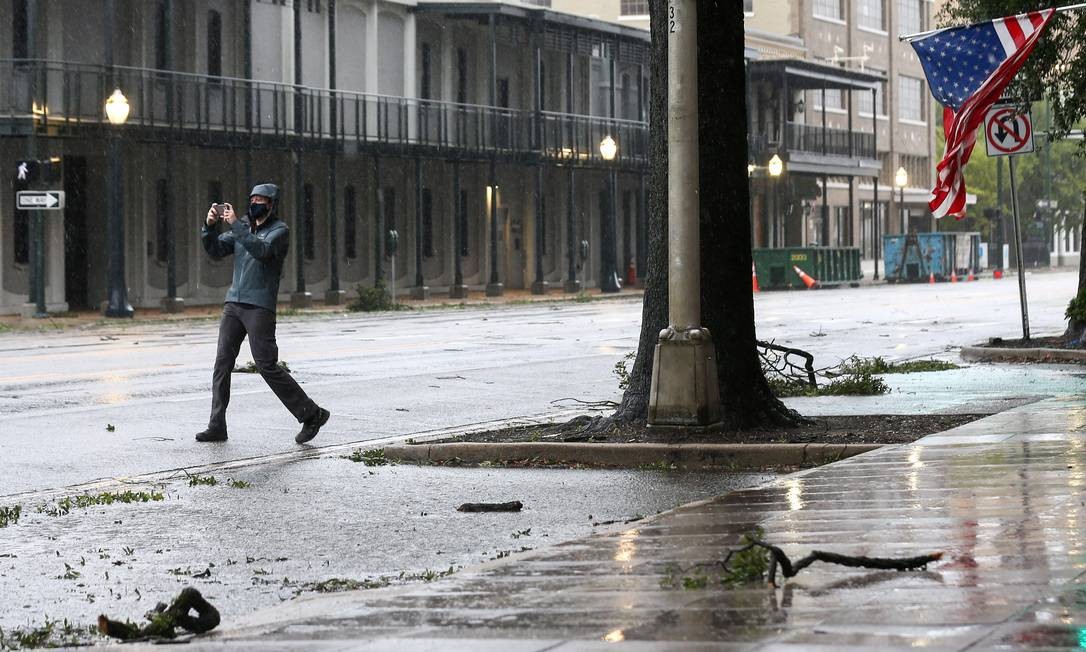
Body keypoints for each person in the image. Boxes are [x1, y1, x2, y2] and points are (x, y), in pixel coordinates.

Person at [195, 183, 330, 444]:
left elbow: (261, 251)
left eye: (261, 199)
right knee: (222, 364)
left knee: (266, 366)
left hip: (259, 306)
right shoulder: (243, 225)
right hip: (234, 303)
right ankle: (217, 426)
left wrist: (236, 225)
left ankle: (311, 414)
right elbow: (215, 250)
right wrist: (209, 225)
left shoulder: (279, 231)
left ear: (271, 204)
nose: (255, 202)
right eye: (252, 198)